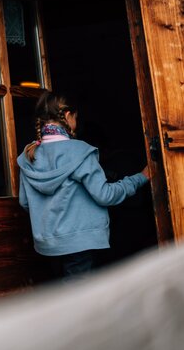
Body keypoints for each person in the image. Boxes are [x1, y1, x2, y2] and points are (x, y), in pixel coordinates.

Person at [17, 91, 151, 281]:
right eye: (76, 118)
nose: (77, 123)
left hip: (47, 245)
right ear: (68, 116)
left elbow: (25, 202)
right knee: (78, 304)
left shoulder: (28, 156)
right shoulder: (81, 151)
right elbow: (105, 195)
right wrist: (140, 178)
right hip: (80, 242)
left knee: (58, 298)